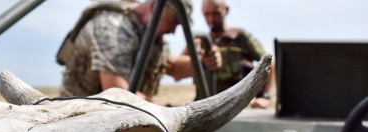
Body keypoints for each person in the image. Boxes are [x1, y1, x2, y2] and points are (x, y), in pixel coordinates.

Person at [57, 0, 222, 102]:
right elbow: (117, 92)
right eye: (173, 21)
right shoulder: (113, 28)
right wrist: (166, 112)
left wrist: (203, 62)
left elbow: (175, 68)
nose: (173, 31)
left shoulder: (149, 35)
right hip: (77, 124)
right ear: (154, 7)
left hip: (108, 124)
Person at [201, 0, 274, 109]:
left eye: (216, 13)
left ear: (226, 10)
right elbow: (177, 67)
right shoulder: (201, 41)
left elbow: (270, 62)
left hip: (236, 106)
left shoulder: (240, 37)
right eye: (207, 14)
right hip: (205, 106)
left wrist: (266, 97)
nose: (211, 19)